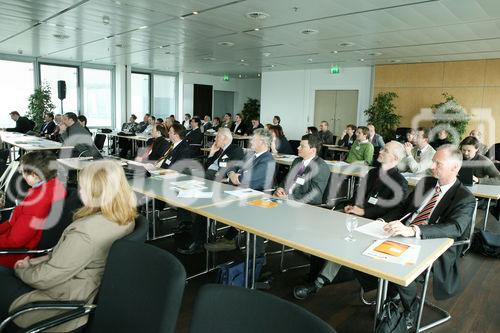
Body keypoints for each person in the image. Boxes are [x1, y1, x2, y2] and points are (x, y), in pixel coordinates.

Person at [0, 160, 136, 331]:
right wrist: (44, 258)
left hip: (60, 302)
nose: (78, 191)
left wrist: (22, 268)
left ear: (97, 191)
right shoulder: (126, 217)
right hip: (83, 286)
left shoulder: (86, 232)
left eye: (83, 187)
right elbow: (80, 256)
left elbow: (45, 279)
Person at [357, 145, 476, 330]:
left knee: (399, 266)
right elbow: (404, 207)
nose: (432, 166)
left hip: (429, 243)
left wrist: (414, 231)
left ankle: (407, 304)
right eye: (433, 161)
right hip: (402, 234)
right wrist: (383, 221)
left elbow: (456, 227)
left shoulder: (464, 197)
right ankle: (391, 295)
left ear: (455, 168)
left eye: (438, 163)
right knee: (359, 252)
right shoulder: (426, 183)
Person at [293, 141, 409, 300]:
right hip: (354, 215)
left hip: (372, 222)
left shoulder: (399, 181)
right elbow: (358, 194)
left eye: (385, 150)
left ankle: (318, 282)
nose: (380, 151)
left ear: (395, 158)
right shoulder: (373, 172)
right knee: (321, 227)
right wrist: (350, 205)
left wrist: (364, 211)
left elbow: (395, 208)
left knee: (345, 238)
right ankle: (314, 272)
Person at [205, 129, 276, 253]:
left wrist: (233, 176)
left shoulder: (267, 160)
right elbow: (233, 167)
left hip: (255, 197)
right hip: (241, 192)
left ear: (263, 142)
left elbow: (245, 180)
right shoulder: (252, 155)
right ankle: (228, 238)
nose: (251, 141)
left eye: (254, 139)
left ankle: (254, 254)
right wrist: (233, 174)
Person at [177, 128, 245, 254]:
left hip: (218, 182)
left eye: (217, 137)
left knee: (201, 203)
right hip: (207, 177)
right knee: (183, 178)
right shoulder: (219, 151)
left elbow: (232, 169)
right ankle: (186, 223)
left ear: (225, 138)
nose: (214, 139)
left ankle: (197, 242)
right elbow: (208, 166)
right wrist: (212, 154)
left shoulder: (235, 150)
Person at [0, 151, 67, 268]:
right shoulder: (51, 187)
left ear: (35, 175)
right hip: (16, 243)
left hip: (18, 255)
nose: (22, 175)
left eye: (25, 172)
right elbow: (13, 222)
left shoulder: (38, 201)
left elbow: (15, 241)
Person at [274, 134, 330, 205]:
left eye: (302, 146)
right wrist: (280, 188)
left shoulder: (320, 167)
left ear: (312, 150)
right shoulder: (297, 161)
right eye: (299, 145)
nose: (298, 148)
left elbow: (315, 197)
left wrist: (288, 197)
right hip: (285, 199)